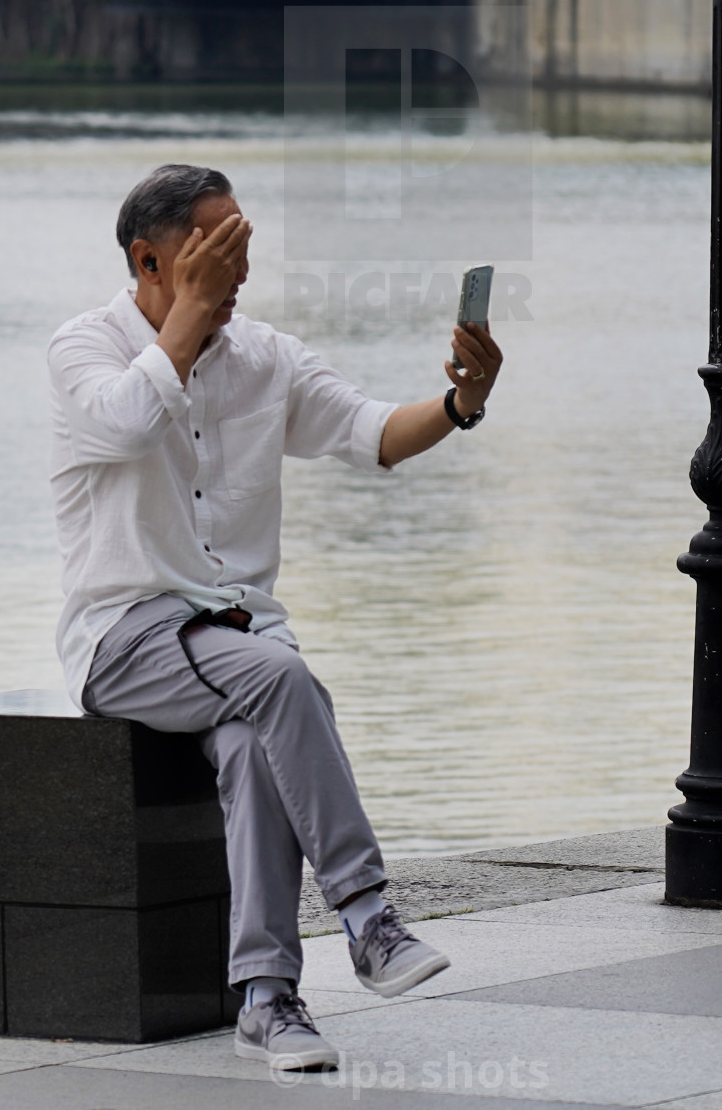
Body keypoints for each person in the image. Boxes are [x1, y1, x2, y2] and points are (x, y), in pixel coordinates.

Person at [48, 163, 503, 1073]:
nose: (237, 270)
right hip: (125, 636)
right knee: (280, 676)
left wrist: (464, 402)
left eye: (242, 244)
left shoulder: (268, 356)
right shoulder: (82, 350)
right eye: (213, 249)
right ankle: (368, 914)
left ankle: (265, 997)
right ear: (149, 259)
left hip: (236, 640)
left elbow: (373, 432)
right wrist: (185, 323)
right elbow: (131, 424)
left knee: (258, 741)